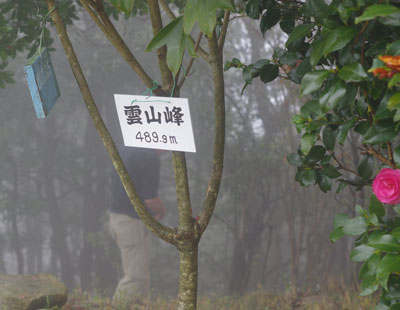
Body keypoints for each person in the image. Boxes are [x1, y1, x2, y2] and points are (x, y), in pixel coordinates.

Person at [109, 147, 166, 306]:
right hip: (131, 222)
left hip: (118, 218)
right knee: (136, 277)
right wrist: (161, 210)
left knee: (141, 274)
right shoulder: (149, 156)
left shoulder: (127, 150)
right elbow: (150, 199)